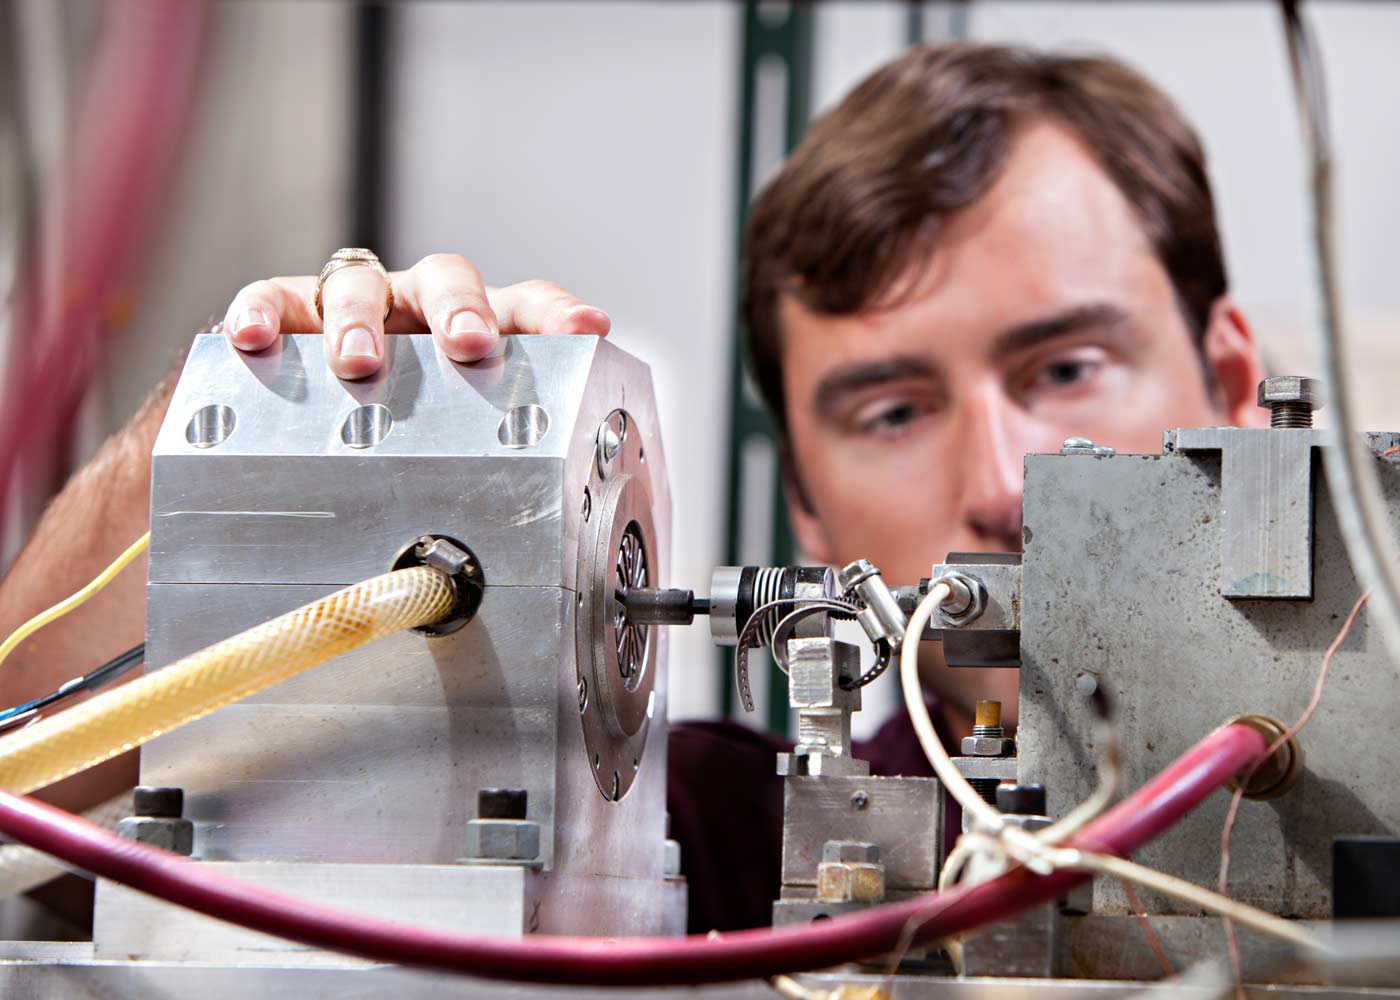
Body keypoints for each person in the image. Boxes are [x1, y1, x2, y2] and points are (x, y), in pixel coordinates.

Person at [0, 43, 1265, 934]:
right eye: (893, 409)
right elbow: (25, 823)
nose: (1002, 489)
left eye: (1067, 367)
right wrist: (236, 429)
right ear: (808, 512)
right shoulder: (702, 839)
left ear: (1235, 389)